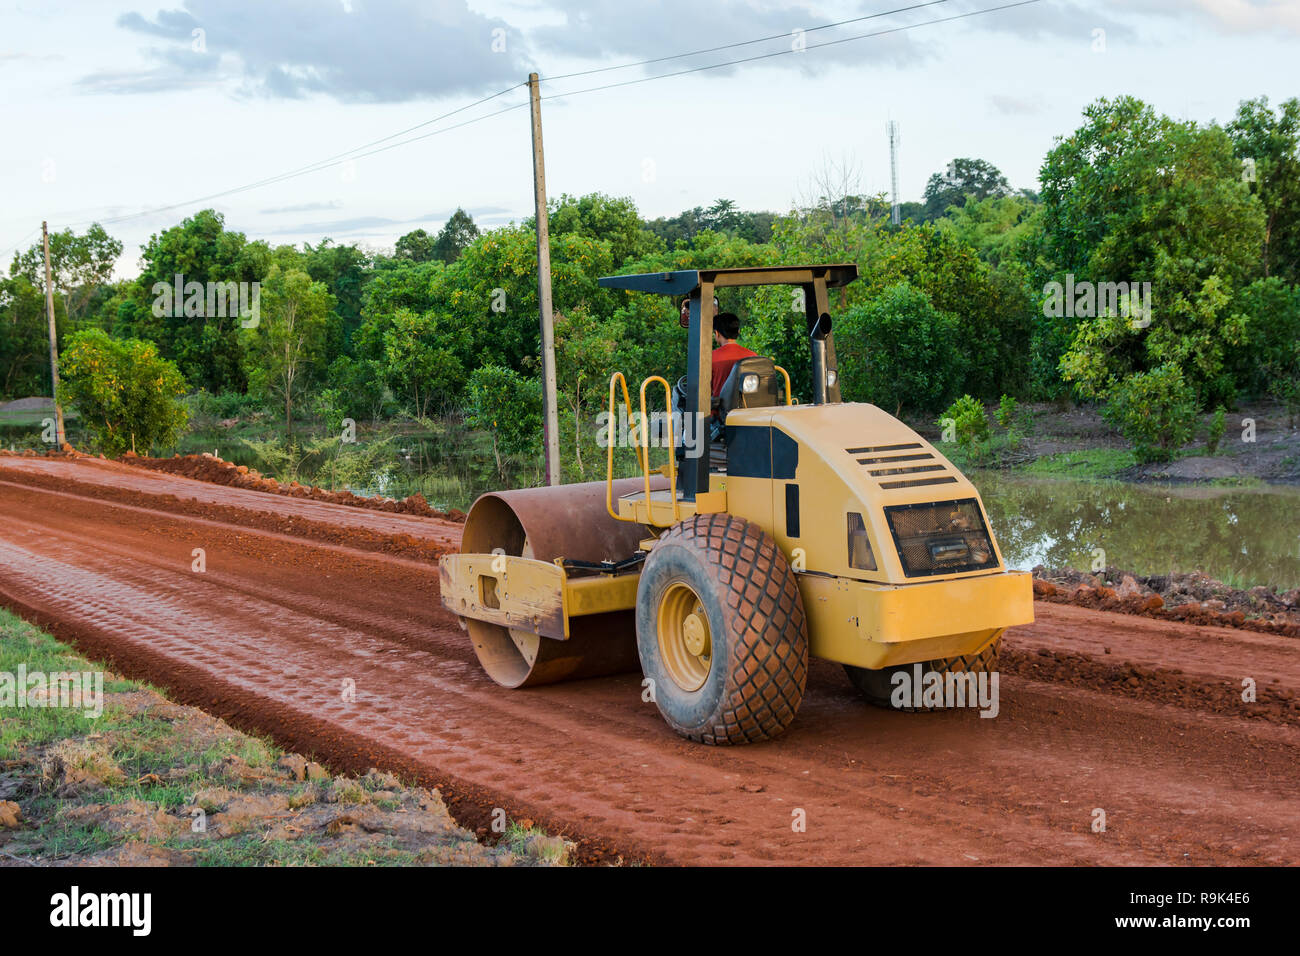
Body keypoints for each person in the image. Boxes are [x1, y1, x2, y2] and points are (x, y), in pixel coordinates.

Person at [710, 312, 758, 397]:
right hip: (747, 409)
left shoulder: (710, 358)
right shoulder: (753, 356)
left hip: (719, 409)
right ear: (738, 331)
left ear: (717, 333)